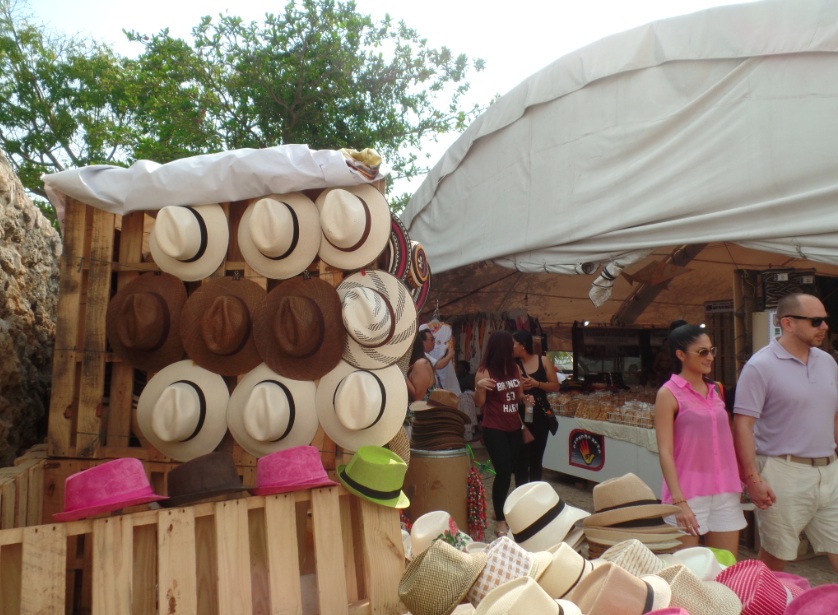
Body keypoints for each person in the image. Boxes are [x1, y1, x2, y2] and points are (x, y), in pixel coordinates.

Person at [733, 293, 838, 572]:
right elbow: (743, 424)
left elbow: (833, 415)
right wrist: (751, 478)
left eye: (825, 320)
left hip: (830, 470)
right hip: (783, 471)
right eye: (816, 321)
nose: (824, 327)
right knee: (776, 558)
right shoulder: (760, 366)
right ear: (788, 323)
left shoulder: (828, 362)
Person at [654, 323, 745, 556]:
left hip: (725, 489)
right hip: (688, 492)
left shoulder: (717, 390)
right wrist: (679, 501)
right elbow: (665, 450)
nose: (710, 357)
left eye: (711, 350)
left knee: (725, 567)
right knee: (686, 571)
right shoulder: (669, 393)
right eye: (702, 352)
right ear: (681, 355)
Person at [473, 330, 525, 537]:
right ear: (502, 348)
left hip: (514, 426)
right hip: (494, 427)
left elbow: (519, 395)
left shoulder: (515, 369)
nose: (514, 347)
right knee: (503, 471)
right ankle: (500, 522)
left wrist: (525, 399)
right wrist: (479, 388)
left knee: (513, 470)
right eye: (511, 345)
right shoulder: (484, 372)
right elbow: (480, 404)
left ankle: (499, 509)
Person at [512, 329, 560, 483]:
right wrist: (522, 389)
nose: (511, 347)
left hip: (540, 413)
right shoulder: (514, 365)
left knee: (536, 457)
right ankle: (520, 491)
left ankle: (535, 490)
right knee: (521, 457)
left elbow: (555, 386)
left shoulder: (543, 361)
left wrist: (537, 384)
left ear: (523, 345)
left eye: (513, 344)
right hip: (522, 413)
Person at [406, 334, 435, 402]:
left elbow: (418, 398)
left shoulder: (421, 363)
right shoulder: (412, 363)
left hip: (420, 411)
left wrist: (403, 376)